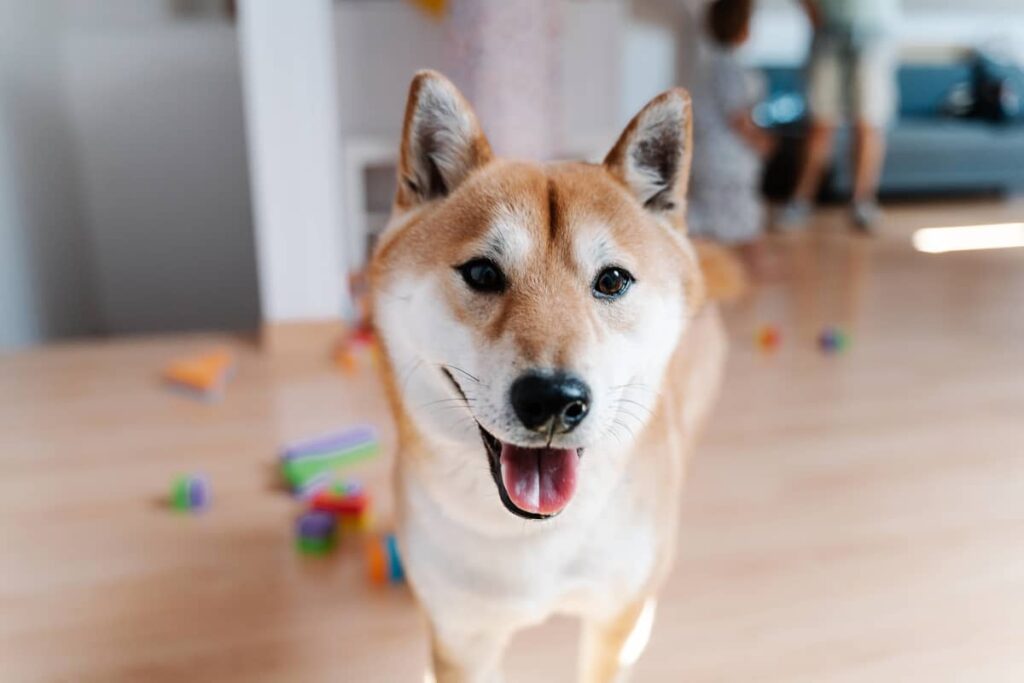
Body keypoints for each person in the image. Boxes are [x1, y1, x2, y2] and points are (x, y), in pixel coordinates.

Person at [778, 0, 901, 233]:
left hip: (873, 32)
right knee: (820, 124)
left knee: (867, 123)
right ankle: (800, 201)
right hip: (828, 33)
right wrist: (814, 15)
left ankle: (862, 203)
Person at [688, 0, 776, 274]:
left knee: (709, 212)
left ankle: (699, 264)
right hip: (727, 157)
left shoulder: (707, 65)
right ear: (742, 27)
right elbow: (738, 116)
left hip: (707, 152)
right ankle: (757, 265)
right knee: (742, 211)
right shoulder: (731, 67)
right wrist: (761, 141)